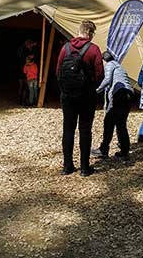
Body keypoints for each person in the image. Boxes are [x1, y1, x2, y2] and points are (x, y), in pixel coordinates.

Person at [57, 20, 104, 177]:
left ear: (79, 31)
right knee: (85, 130)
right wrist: (91, 87)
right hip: (86, 96)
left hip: (68, 96)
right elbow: (100, 74)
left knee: (68, 130)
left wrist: (65, 89)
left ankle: (67, 166)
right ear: (89, 33)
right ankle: (84, 167)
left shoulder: (65, 48)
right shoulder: (94, 49)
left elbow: (58, 72)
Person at [91, 51, 134, 160]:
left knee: (108, 122)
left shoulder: (110, 65)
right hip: (129, 95)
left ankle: (104, 150)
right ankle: (124, 151)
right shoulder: (119, 66)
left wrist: (95, 91)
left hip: (121, 94)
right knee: (121, 124)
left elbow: (107, 80)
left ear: (104, 60)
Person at [17, 39, 37, 105]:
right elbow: (30, 58)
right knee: (25, 86)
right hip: (26, 71)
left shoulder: (21, 50)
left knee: (21, 86)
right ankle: (24, 101)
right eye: (30, 45)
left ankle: (20, 100)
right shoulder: (26, 51)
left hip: (21, 70)